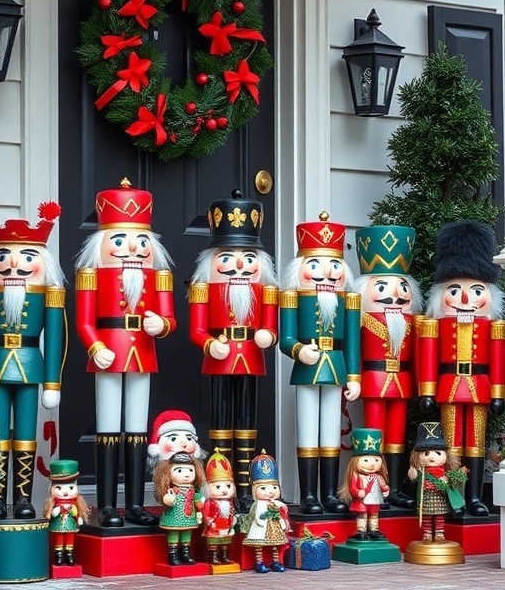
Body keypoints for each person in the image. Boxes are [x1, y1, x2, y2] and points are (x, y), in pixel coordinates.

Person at [74, 179, 176, 528]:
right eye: (119, 241)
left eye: (141, 241)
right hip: (108, 351)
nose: (132, 248)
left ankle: (134, 503)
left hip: (142, 353)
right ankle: (106, 505)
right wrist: (96, 346)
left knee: (136, 430)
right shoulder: (91, 274)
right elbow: (84, 322)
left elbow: (170, 320)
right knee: (107, 429)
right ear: (102, 244)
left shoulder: (159, 276)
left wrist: (160, 325)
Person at [0, 201, 65, 520]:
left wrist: (52, 382)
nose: (13, 263)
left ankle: (23, 498)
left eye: (26, 256)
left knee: (25, 434)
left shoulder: (49, 293)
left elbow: (55, 338)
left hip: (29, 365)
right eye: (3, 255)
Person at [188, 189, 278, 508]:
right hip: (220, 358)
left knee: (247, 424)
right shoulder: (204, 287)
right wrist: (210, 343)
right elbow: (197, 329)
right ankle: (220, 483)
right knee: (221, 424)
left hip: (250, 357)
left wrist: (268, 335)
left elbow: (271, 327)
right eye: (227, 257)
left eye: (249, 258)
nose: (239, 264)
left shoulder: (266, 290)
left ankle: (244, 488)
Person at [416, 220, 505, 517]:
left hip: (479, 386)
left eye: (476, 290)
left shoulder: (494, 327)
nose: (466, 299)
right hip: (449, 386)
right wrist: (427, 391)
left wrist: (498, 394)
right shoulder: (435, 325)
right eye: (455, 291)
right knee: (452, 444)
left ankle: (476, 498)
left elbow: (498, 361)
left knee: (476, 444)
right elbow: (428, 358)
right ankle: (455, 499)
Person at [279, 213, 361, 515]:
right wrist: (299, 350)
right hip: (307, 368)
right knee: (307, 432)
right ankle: (309, 495)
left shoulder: (348, 300)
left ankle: (329, 494)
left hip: (336, 366)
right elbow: (285, 339)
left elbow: (352, 343)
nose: (326, 275)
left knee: (330, 432)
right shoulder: (292, 297)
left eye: (334, 267)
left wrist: (354, 377)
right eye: (314, 266)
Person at [353, 225, 423, 509]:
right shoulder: (361, 319)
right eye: (381, 287)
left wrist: (423, 386)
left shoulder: (413, 322)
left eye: (402, 287)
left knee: (396, 437)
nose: (394, 295)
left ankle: (392, 488)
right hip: (373, 379)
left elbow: (421, 354)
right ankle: (372, 489)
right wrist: (353, 378)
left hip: (402, 381)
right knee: (374, 435)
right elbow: (354, 350)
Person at [407, 421, 466, 543]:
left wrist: (449, 480)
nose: (431, 457)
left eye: (438, 453)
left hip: (440, 497)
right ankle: (427, 533)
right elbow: (414, 478)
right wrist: (413, 474)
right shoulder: (422, 472)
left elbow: (452, 483)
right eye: (426, 453)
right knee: (427, 516)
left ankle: (439, 532)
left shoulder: (445, 472)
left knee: (440, 516)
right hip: (426, 497)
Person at [153, 451, 206, 566]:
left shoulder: (193, 490)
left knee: (187, 533)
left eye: (190, 470)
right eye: (180, 471)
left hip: (189, 517)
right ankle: (173, 555)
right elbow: (167, 500)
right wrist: (169, 499)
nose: (186, 475)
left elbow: (197, 501)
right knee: (174, 533)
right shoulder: (172, 490)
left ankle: (185, 554)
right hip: (174, 517)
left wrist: (201, 506)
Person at [338, 428, 390, 540]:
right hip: (362, 501)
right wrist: (358, 492)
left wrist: (385, 488)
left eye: (376, 460)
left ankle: (373, 530)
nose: (372, 464)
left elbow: (382, 487)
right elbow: (353, 488)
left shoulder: (378, 477)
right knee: (362, 515)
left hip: (374, 501)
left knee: (374, 515)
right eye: (366, 460)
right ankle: (361, 531)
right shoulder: (356, 476)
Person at [242, 450, 290, 573]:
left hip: (274, 527)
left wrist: (279, 510)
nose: (270, 492)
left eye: (274, 487)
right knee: (259, 545)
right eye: (263, 488)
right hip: (261, 527)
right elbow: (256, 515)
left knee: (275, 545)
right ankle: (259, 562)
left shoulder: (277, 503)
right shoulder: (258, 504)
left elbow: (283, 510)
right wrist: (260, 520)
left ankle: (275, 562)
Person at [43, 459, 90, 566]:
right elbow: (53, 514)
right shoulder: (55, 503)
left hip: (70, 523)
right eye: (58, 488)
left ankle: (69, 554)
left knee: (70, 537)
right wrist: (55, 511)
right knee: (58, 537)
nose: (65, 492)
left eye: (71, 488)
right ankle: (58, 554)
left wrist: (79, 517)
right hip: (59, 523)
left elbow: (75, 512)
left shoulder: (74, 503)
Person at [202, 448, 238, 566]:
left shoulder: (230, 502)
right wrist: (210, 522)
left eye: (228, 486)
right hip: (215, 527)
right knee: (214, 544)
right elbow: (206, 514)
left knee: (225, 543)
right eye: (218, 487)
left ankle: (225, 557)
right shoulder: (210, 502)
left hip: (226, 526)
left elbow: (231, 512)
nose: (224, 490)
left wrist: (232, 520)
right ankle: (213, 558)